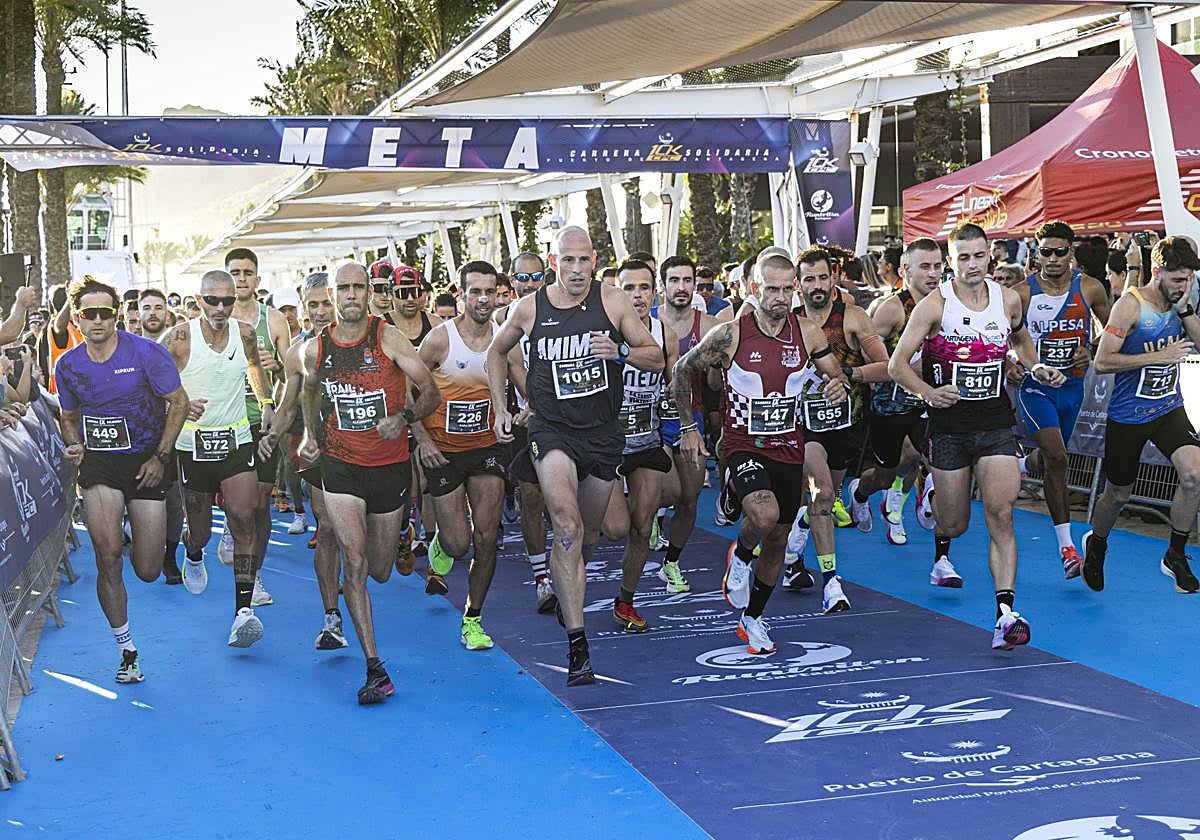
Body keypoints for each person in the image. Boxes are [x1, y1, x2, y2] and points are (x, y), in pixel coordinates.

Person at [487, 227, 662, 685]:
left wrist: (621, 350)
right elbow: (495, 353)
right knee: (565, 527)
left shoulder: (614, 302)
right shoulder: (529, 307)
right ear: (553, 261)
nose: (577, 270)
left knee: (588, 539)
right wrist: (503, 408)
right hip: (551, 429)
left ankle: (569, 584)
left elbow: (655, 356)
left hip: (602, 434)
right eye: (568, 261)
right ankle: (578, 644)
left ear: (594, 260)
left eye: (584, 261)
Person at [889, 223, 1065, 650]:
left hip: (994, 423)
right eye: (963, 257)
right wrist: (929, 393)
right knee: (955, 522)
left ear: (991, 256)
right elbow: (897, 366)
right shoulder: (933, 306)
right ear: (952, 260)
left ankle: (1006, 614)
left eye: (978, 256)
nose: (971, 265)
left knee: (1001, 513)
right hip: (949, 427)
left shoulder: (1006, 299)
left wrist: (1035, 365)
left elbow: (1020, 338)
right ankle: (929, 498)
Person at [675, 252, 846, 654]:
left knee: (780, 539)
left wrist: (838, 386)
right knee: (764, 515)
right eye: (772, 288)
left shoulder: (808, 332)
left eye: (789, 289)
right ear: (754, 288)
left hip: (789, 444)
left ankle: (752, 619)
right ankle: (740, 553)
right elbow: (684, 368)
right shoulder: (730, 333)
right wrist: (688, 427)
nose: (781, 297)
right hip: (742, 443)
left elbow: (834, 373)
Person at [298, 262, 440, 702]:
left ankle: (402, 533)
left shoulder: (387, 337)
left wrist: (405, 417)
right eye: (345, 288)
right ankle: (375, 669)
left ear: (368, 293)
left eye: (360, 287)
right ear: (333, 295)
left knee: (379, 571)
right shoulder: (315, 348)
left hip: (389, 467)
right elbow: (307, 390)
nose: (353, 294)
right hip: (340, 469)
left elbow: (430, 390)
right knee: (355, 564)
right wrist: (308, 434)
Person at [55, 277, 189, 683]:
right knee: (106, 554)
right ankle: (126, 648)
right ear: (78, 319)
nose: (97, 320)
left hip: (147, 462)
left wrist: (161, 457)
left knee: (147, 569)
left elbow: (178, 403)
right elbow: (68, 416)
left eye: (104, 312)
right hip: (100, 467)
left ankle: (138, 527)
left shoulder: (147, 353)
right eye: (88, 314)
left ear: (116, 315)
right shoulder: (68, 365)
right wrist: (74, 444)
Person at [160, 270, 275, 647]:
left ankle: (243, 610)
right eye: (213, 300)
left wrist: (266, 401)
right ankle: (194, 552)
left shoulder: (243, 334)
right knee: (202, 529)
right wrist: (178, 403)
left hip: (237, 439)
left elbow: (256, 366)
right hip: (193, 447)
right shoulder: (179, 338)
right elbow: (150, 381)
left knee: (244, 518)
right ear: (198, 300)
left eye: (228, 300)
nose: (221, 307)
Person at [1083, 237, 1200, 594]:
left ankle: (1175, 554)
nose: (1185, 286)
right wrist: (1157, 356)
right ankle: (1097, 544)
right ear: (1158, 272)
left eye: (1190, 278)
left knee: (1194, 475)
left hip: (1168, 408)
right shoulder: (1130, 307)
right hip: (1128, 415)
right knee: (1118, 494)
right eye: (1178, 279)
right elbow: (1102, 362)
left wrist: (1185, 311)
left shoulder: (1184, 304)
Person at [410, 261, 510, 649]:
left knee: (486, 538)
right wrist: (422, 440)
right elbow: (409, 391)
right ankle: (441, 545)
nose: (483, 299)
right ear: (463, 293)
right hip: (444, 453)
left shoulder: (504, 340)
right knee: (457, 544)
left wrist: (526, 411)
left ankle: (473, 618)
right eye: (475, 292)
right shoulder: (439, 339)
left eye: (489, 291)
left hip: (487, 449)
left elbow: (525, 385)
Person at [789, 247, 891, 611]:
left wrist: (848, 375)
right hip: (802, 429)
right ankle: (832, 581)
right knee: (821, 495)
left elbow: (887, 366)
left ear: (833, 278)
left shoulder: (853, 317)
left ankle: (793, 550)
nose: (816, 285)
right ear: (797, 284)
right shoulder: (787, 320)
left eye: (821, 277)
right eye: (808, 279)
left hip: (846, 426)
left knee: (822, 499)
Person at [1013, 221, 1111, 577]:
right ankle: (1067, 549)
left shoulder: (1090, 288)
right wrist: (1013, 363)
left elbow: (1113, 331)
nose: (1051, 259)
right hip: (1035, 387)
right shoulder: (1022, 293)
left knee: (1051, 458)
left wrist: (1092, 350)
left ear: (1071, 252)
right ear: (1036, 253)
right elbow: (1007, 338)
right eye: (1045, 252)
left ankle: (1023, 465)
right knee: (1058, 456)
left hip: (1073, 387)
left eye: (1059, 252)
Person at [261, 272, 348, 650]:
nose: (318, 311)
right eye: (311, 305)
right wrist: (273, 436)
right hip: (318, 451)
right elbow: (286, 402)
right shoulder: (298, 350)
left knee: (374, 558)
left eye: (324, 303)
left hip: (365, 453)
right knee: (327, 528)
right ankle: (332, 617)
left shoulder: (371, 339)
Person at [601, 259, 679, 631]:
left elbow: (674, 384)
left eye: (644, 288)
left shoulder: (665, 333)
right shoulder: (603, 331)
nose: (636, 296)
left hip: (647, 441)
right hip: (609, 444)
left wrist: (688, 430)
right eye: (628, 288)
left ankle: (626, 600)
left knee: (642, 527)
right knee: (614, 527)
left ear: (654, 291)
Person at [850, 239, 943, 550]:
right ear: (906, 270)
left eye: (937, 266)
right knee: (886, 474)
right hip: (889, 407)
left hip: (928, 402)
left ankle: (905, 506)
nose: (933, 273)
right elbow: (868, 355)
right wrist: (902, 367)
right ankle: (860, 493)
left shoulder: (947, 304)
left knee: (929, 456)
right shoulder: (892, 308)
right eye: (924, 266)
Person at [224, 248, 290, 610]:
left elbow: (290, 373)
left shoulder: (275, 321)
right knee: (241, 507)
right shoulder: (215, 318)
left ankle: (255, 574)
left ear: (257, 279)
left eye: (248, 272)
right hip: (225, 419)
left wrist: (275, 364)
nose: (241, 278)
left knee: (261, 504)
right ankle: (231, 534)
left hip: (263, 420)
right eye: (235, 272)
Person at [653, 255, 716, 593]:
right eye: (674, 280)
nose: (681, 287)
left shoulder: (707, 327)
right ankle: (650, 515)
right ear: (662, 285)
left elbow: (718, 386)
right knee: (667, 491)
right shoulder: (645, 322)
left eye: (687, 280)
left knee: (689, 499)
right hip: (651, 421)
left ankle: (672, 563)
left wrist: (716, 368)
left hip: (690, 419)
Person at [498, 251, 557, 612]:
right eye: (523, 278)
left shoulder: (558, 306)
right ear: (512, 279)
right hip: (528, 417)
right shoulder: (505, 318)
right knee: (531, 498)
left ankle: (566, 566)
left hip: (566, 418)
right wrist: (533, 405)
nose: (530, 284)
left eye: (536, 277)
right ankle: (541, 578)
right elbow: (514, 365)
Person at [137, 288, 186, 583]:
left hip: (173, 435)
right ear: (138, 313)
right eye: (147, 307)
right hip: (135, 437)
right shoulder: (123, 348)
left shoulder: (180, 347)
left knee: (173, 501)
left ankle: (170, 557)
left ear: (166, 313)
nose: (153, 313)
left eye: (158, 307)